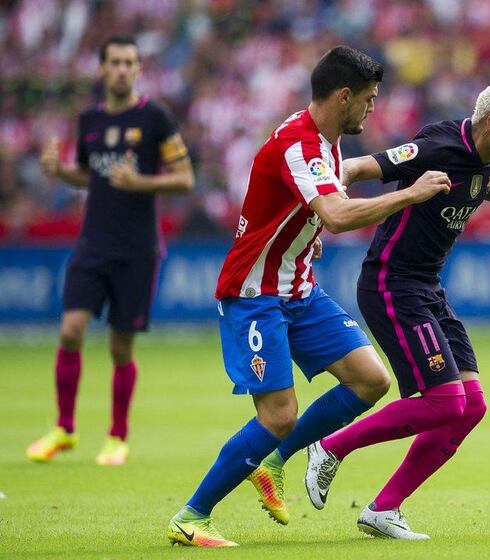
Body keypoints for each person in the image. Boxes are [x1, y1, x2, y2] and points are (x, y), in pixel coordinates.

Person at [166, 46, 450, 548]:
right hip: (255, 293)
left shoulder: (328, 141)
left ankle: (272, 462)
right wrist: (411, 193)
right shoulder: (300, 144)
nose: (371, 109)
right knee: (278, 415)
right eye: (368, 100)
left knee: (370, 379)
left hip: (300, 290)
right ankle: (192, 515)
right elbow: (338, 216)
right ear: (344, 96)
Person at [301, 81, 490, 539]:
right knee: (444, 401)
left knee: (470, 407)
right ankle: (330, 447)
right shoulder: (435, 145)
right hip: (390, 285)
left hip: (428, 288)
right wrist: (313, 222)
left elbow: (481, 181)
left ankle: (383, 509)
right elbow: (357, 167)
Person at [26, 35, 194, 467]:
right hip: (92, 243)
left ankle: (117, 436)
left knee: (120, 347)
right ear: (102, 69)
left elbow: (184, 179)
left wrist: (142, 183)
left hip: (137, 249)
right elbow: (92, 176)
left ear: (139, 69)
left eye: (129, 62)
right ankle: (64, 428)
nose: (122, 69)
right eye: (115, 62)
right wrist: (61, 172)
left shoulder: (155, 116)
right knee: (70, 331)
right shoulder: (89, 120)